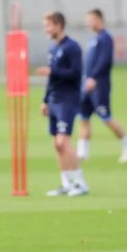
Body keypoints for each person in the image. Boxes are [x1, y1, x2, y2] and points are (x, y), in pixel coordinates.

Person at [35, 11, 89, 197]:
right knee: (56, 145)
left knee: (62, 141)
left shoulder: (72, 47)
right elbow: (52, 78)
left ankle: (80, 183)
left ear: (58, 25)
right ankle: (66, 183)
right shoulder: (53, 48)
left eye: (48, 26)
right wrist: (45, 100)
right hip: (54, 100)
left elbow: (75, 73)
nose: (46, 30)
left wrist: (52, 71)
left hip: (68, 99)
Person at [77, 8, 127, 163]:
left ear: (99, 20)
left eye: (90, 20)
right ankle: (82, 152)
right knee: (83, 117)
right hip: (87, 85)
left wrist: (94, 78)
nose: (88, 24)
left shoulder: (106, 38)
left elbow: (105, 61)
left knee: (106, 117)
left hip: (99, 85)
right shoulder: (94, 39)